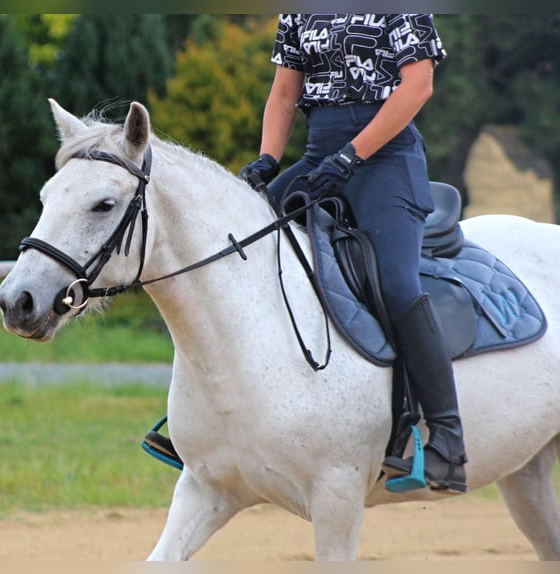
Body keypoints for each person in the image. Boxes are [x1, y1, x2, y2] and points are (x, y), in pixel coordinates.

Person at [145, 13, 467, 493]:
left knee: (398, 285)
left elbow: (417, 86)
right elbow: (283, 94)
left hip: (387, 160)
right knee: (232, 257)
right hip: (320, 157)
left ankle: (447, 439)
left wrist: (353, 154)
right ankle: (205, 427)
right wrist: (268, 160)